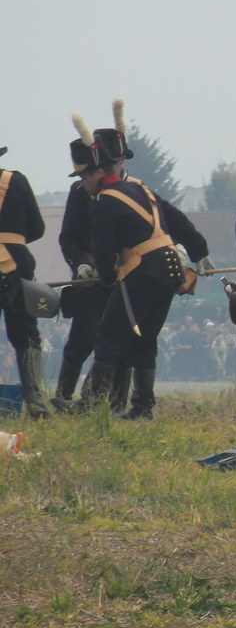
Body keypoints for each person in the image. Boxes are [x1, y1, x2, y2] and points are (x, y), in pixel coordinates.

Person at [83, 118, 213, 419]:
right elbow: (177, 220)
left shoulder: (105, 200)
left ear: (99, 173)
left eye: (85, 176)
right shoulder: (141, 189)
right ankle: (142, 407)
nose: (82, 183)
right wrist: (199, 250)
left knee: (109, 336)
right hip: (169, 270)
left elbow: (102, 248)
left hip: (142, 272)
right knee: (145, 340)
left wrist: (106, 278)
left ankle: (92, 405)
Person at [51, 109, 136, 413]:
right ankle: (62, 396)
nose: (118, 164)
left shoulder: (135, 190)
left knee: (123, 341)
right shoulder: (80, 192)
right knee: (83, 338)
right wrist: (80, 265)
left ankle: (116, 403)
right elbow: (69, 238)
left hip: (126, 276)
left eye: (120, 159)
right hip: (92, 279)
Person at [0, 145, 50, 418]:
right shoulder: (16, 181)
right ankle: (35, 402)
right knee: (26, 333)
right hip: (17, 262)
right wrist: (13, 239)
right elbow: (37, 228)